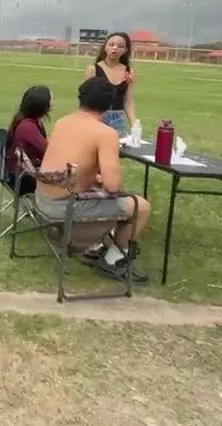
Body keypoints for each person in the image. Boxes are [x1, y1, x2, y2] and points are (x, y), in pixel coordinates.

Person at [34, 76, 150, 284]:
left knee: (104, 189)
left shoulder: (63, 122)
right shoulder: (106, 133)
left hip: (42, 199)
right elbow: (112, 186)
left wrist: (92, 176)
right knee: (140, 206)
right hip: (63, 209)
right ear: (109, 105)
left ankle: (97, 246)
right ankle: (114, 260)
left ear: (81, 98)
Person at [83, 31, 137, 135]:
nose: (115, 48)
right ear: (105, 47)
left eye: (120, 46)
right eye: (111, 44)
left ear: (125, 50)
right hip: (97, 118)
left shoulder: (128, 72)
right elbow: (85, 99)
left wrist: (134, 124)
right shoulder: (93, 69)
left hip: (118, 120)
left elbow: (128, 101)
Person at [3, 85, 52, 195]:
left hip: (18, 173)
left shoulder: (26, 121)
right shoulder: (28, 127)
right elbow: (48, 151)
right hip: (22, 179)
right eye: (51, 99)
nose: (53, 102)